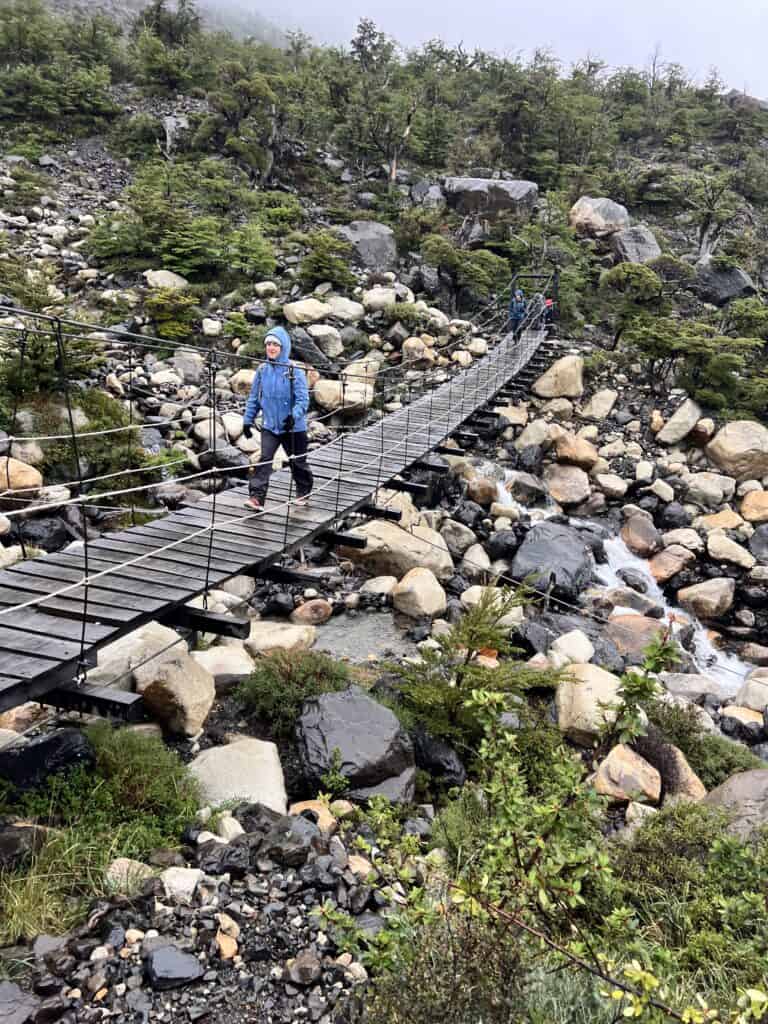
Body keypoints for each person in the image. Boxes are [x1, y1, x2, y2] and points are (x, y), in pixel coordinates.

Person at [242, 326, 313, 510]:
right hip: (270, 426)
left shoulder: (294, 370)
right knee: (265, 458)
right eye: (268, 344)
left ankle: (304, 492)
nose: (271, 348)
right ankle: (256, 498)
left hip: (292, 427)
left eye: (275, 344)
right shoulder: (262, 370)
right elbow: (254, 398)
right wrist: (247, 421)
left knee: (297, 461)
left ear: (284, 347)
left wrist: (294, 416)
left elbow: (303, 400)